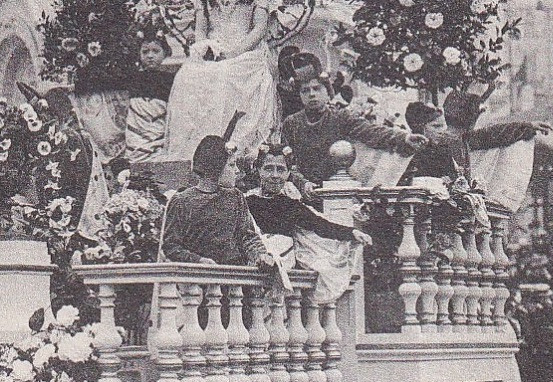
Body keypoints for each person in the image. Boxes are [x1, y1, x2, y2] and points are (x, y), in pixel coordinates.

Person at [161, 0, 278, 165]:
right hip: (213, 51)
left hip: (245, 52)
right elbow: (201, 28)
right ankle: (193, 151)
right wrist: (205, 47)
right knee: (188, 75)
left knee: (226, 74)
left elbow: (259, 28)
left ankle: (233, 150)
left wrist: (234, 53)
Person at [246, 145, 371, 301]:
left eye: (281, 170)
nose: (275, 175)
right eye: (269, 169)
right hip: (257, 259)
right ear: (259, 170)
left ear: (288, 173)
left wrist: (352, 232)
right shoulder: (247, 202)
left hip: (283, 258)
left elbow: (320, 225)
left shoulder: (290, 205)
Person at [279, 75, 423, 185]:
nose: (311, 94)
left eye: (317, 89)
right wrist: (302, 184)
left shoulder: (341, 117)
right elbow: (286, 160)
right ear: (300, 95)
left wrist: (403, 137)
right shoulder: (292, 123)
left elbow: (370, 131)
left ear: (328, 93)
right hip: (303, 188)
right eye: (305, 90)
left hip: (338, 185)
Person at [159, 135, 275, 270]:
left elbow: (248, 237)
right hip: (198, 277)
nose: (237, 171)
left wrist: (260, 255)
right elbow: (171, 246)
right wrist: (199, 261)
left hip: (235, 275)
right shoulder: (182, 201)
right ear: (215, 168)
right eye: (231, 165)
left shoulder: (236, 197)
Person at [399, 92, 547, 185]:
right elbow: (493, 134)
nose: (442, 132)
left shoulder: (463, 139)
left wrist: (528, 127)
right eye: (437, 126)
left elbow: (493, 133)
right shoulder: (417, 147)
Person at [121, 36, 180, 162]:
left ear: (165, 53)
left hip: (159, 130)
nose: (150, 56)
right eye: (145, 52)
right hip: (136, 130)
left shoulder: (171, 79)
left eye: (156, 51)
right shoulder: (133, 78)